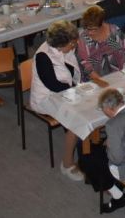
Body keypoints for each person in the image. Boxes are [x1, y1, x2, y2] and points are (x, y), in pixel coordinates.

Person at [29, 21, 84, 179]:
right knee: (77, 120)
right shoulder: (43, 57)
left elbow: (71, 72)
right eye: (73, 42)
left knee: (89, 108)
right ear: (62, 43)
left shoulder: (63, 49)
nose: (76, 44)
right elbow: (53, 85)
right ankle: (66, 164)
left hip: (64, 92)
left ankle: (86, 148)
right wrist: (77, 92)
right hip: (46, 99)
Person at [73, 5, 125, 83]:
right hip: (95, 80)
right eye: (87, 29)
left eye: (93, 29)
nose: (90, 32)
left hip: (119, 75)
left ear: (102, 24)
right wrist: (104, 83)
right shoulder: (84, 40)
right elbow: (88, 69)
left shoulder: (114, 32)